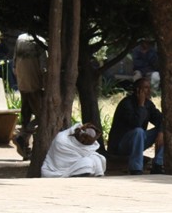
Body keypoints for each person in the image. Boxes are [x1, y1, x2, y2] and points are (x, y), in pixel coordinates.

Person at [108, 77, 165, 175]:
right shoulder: (126, 104)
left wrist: (160, 132)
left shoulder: (148, 104)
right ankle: (136, 168)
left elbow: (161, 119)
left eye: (149, 88)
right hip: (121, 145)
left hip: (139, 141)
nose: (149, 91)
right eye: (146, 88)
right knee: (139, 131)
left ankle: (158, 165)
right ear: (138, 90)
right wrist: (141, 105)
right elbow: (136, 123)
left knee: (166, 130)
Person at [12, 32, 47, 161]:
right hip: (35, 84)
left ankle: (25, 148)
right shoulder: (40, 41)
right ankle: (22, 136)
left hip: (22, 82)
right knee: (43, 116)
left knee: (26, 113)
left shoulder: (20, 38)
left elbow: (14, 65)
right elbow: (44, 67)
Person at [42, 123, 106, 177]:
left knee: (98, 159)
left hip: (78, 163)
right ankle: (75, 174)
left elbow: (89, 152)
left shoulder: (91, 144)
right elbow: (61, 162)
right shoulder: (62, 139)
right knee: (87, 163)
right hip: (56, 170)